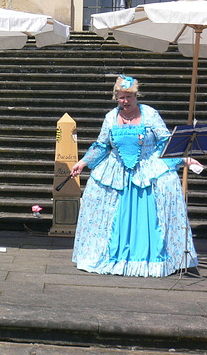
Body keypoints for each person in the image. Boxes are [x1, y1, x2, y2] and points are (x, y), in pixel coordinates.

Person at [70, 75, 200, 277]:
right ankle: (111, 256)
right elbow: (102, 145)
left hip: (147, 171)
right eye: (122, 97)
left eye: (129, 96)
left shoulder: (150, 114)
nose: (126, 101)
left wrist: (184, 159)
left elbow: (165, 142)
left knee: (155, 210)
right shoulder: (110, 118)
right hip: (117, 173)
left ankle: (157, 259)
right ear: (116, 97)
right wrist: (83, 162)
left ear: (136, 95)